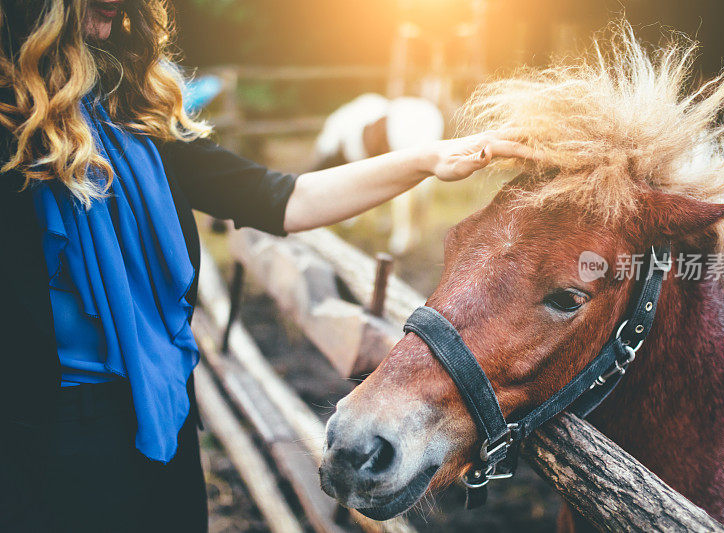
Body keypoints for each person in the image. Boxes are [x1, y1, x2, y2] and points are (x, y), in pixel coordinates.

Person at [0, 1, 534, 532]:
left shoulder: (131, 115)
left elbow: (283, 197)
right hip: (44, 439)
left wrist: (426, 159)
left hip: (162, 415)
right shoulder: (10, 132)